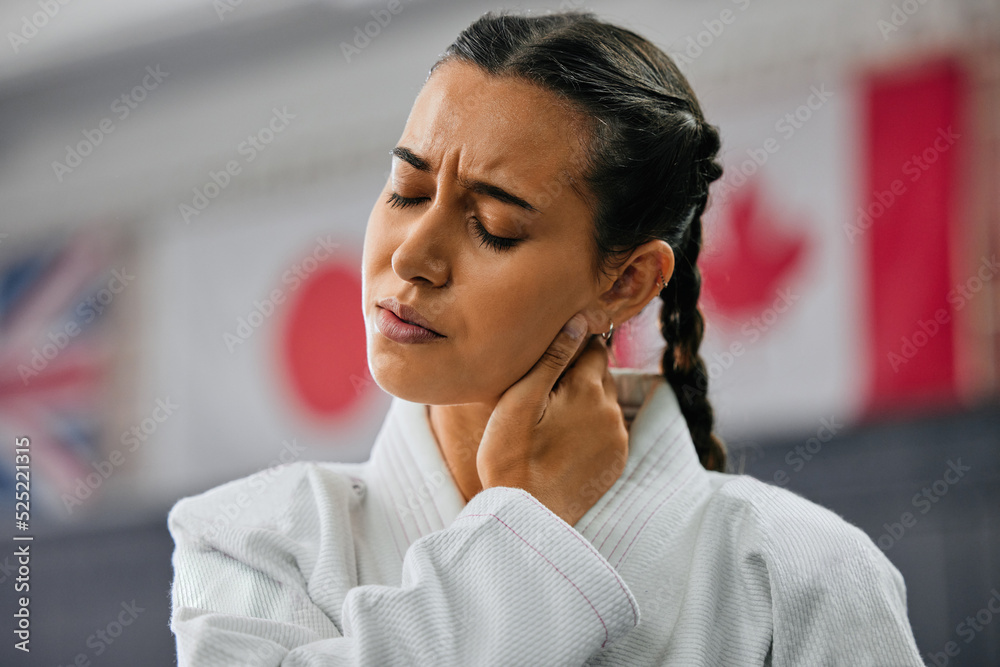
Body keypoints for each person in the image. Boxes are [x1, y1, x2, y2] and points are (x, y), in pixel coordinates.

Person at [167, 9, 924, 666]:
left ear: (625, 281)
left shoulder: (802, 571)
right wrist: (523, 531)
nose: (411, 256)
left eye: (493, 226)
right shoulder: (245, 541)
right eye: (406, 190)